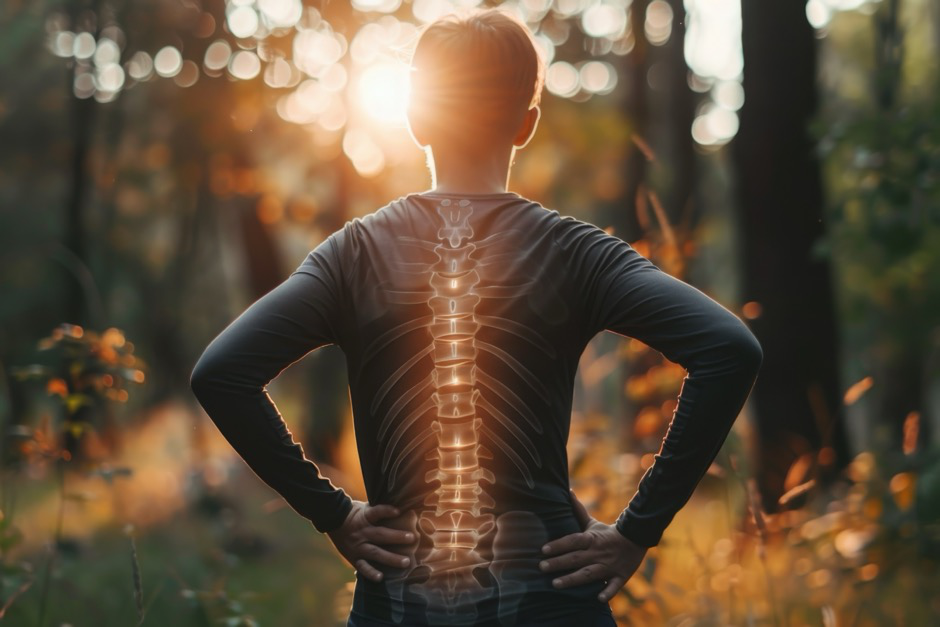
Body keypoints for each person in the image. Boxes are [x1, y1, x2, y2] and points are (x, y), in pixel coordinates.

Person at [189, 8, 763, 627]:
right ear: (527, 124)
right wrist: (637, 531)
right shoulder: (574, 253)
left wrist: (332, 513)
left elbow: (221, 373)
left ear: (415, 120)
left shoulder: (354, 255)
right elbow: (730, 348)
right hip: (551, 598)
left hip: (398, 603)